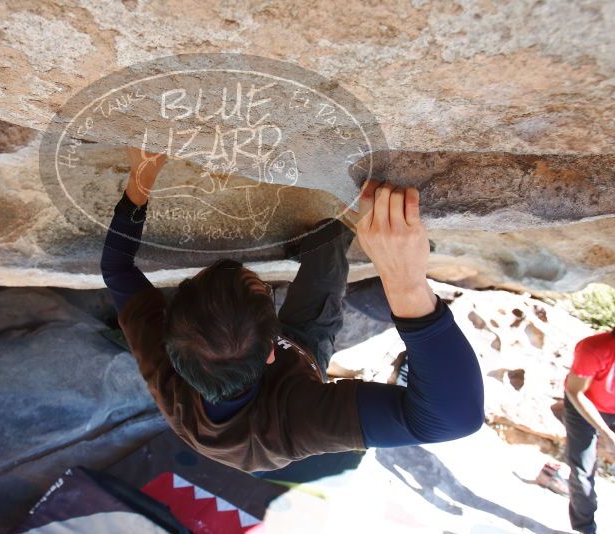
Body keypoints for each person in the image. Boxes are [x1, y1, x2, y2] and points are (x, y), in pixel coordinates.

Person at [100, 148, 484, 472]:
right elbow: (453, 419)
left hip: (260, 371)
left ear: (170, 338)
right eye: (265, 291)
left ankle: (313, 244)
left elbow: (116, 268)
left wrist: (141, 177)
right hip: (304, 355)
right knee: (330, 244)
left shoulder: (168, 367)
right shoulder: (296, 423)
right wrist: (406, 283)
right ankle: (320, 245)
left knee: (325, 243)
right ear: (272, 348)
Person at [563, 329, 615, 534]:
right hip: (583, 404)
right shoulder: (594, 348)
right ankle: (585, 529)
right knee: (582, 471)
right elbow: (576, 392)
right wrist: (607, 433)